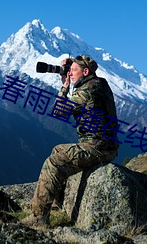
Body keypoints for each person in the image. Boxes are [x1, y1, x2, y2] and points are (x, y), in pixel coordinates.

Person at [21, 55, 119, 227]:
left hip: (97, 147)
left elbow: (59, 111)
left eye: (74, 70)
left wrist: (64, 87)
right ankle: (59, 204)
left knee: (54, 162)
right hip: (104, 145)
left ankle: (38, 218)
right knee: (58, 150)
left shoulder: (87, 90)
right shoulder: (100, 83)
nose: (70, 73)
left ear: (86, 72)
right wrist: (71, 68)